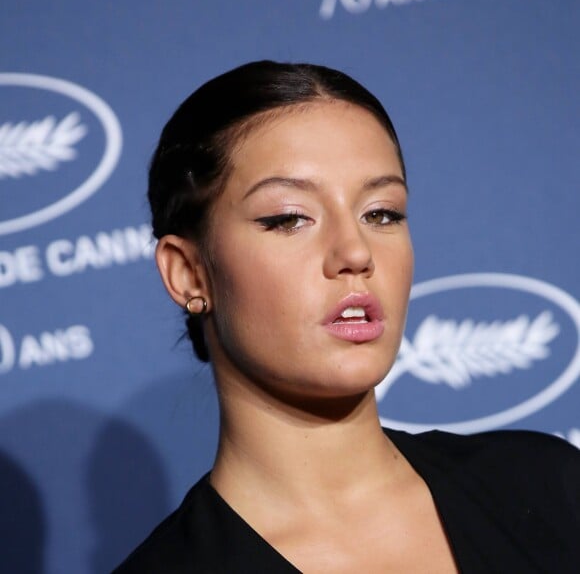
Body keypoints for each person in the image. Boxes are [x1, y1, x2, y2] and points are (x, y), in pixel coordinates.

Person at [114, 60, 579, 573]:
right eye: (289, 218)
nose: (355, 252)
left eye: (381, 213)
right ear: (189, 273)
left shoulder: (548, 487)